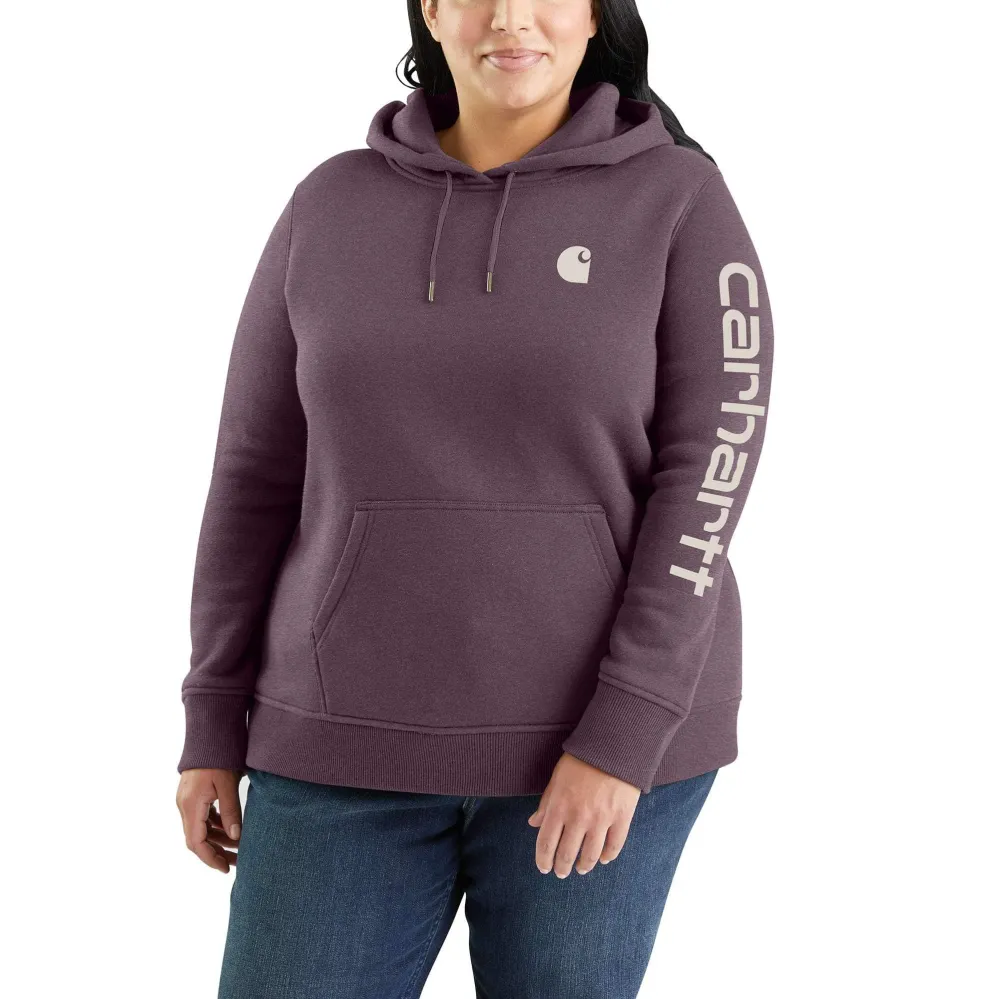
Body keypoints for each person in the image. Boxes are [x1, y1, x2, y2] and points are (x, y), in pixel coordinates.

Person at [175, 1, 774, 995]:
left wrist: (624, 733)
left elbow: (707, 481)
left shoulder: (679, 200)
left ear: (596, 14)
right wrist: (211, 712)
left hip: (592, 748)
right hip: (337, 738)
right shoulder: (329, 204)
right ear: (430, 11)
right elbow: (252, 474)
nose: (510, 17)